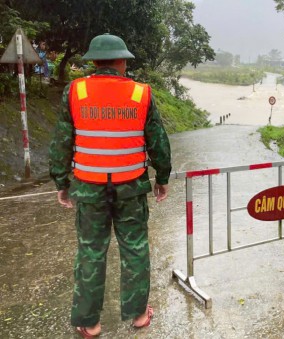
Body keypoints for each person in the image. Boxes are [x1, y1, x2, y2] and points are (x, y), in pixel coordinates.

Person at [49, 33, 172, 338]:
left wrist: (61, 182)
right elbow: (158, 141)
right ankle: (139, 315)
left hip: (89, 190)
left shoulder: (75, 92)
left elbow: (62, 141)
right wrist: (163, 178)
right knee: (135, 249)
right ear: (122, 61)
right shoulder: (140, 94)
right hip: (130, 189)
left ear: (93, 61)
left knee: (91, 251)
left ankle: (90, 324)